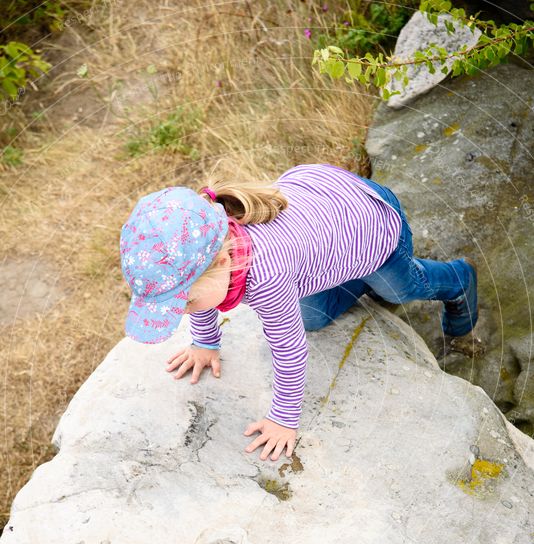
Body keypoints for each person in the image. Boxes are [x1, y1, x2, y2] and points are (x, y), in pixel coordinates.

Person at [120, 163, 481, 462]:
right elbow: (203, 294)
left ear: (221, 260)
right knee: (313, 318)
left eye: (185, 304)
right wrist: (204, 341)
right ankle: (352, 273)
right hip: (325, 217)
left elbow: (289, 351)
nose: (184, 312)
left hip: (369, 220)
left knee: (399, 289)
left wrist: (283, 418)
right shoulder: (216, 249)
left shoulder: (268, 277)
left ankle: (459, 281)